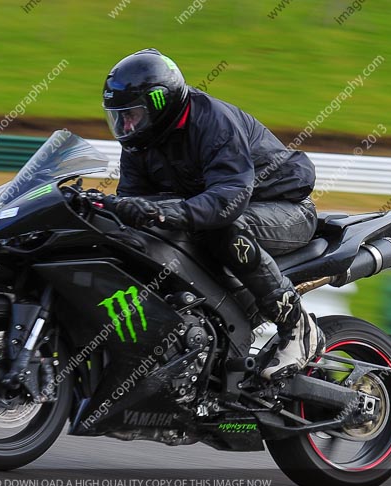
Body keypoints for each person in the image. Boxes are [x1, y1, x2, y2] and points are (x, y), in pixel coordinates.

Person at [102, 49, 324, 380]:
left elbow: (228, 200)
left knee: (222, 229)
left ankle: (297, 327)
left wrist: (168, 212)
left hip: (286, 211)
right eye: (119, 116)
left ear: (160, 103)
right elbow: (134, 200)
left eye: (132, 114)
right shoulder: (139, 142)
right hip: (226, 212)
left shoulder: (213, 122)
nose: (125, 125)